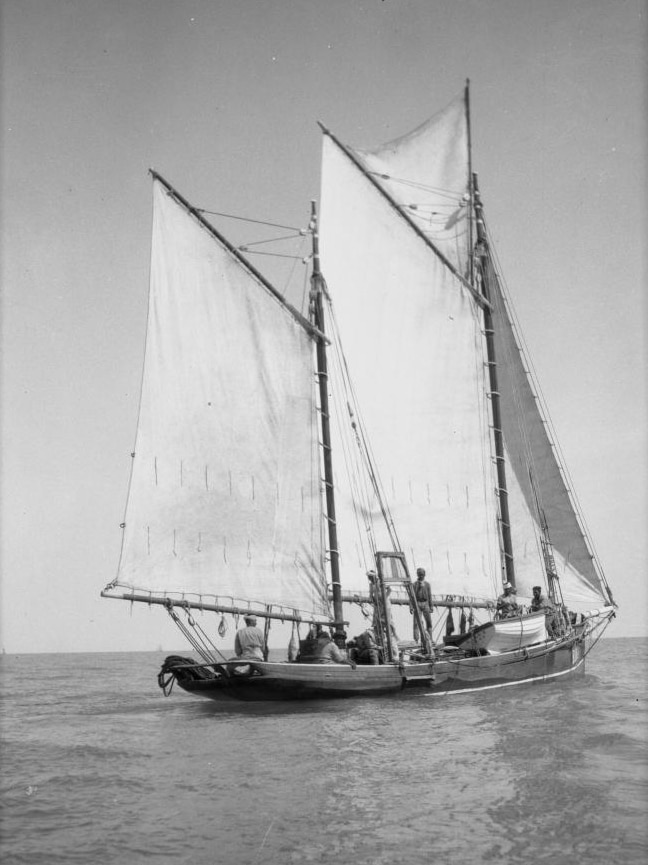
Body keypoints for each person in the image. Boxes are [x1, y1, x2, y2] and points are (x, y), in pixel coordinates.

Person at [413, 567, 433, 640]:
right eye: (419, 574)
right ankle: (416, 639)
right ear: (417, 575)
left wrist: (431, 606)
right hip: (417, 603)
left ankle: (430, 639)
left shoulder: (427, 584)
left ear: (424, 575)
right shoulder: (414, 584)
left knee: (429, 622)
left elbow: (429, 595)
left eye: (422, 574)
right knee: (416, 622)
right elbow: (412, 596)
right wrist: (411, 607)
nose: (421, 576)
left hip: (425, 603)